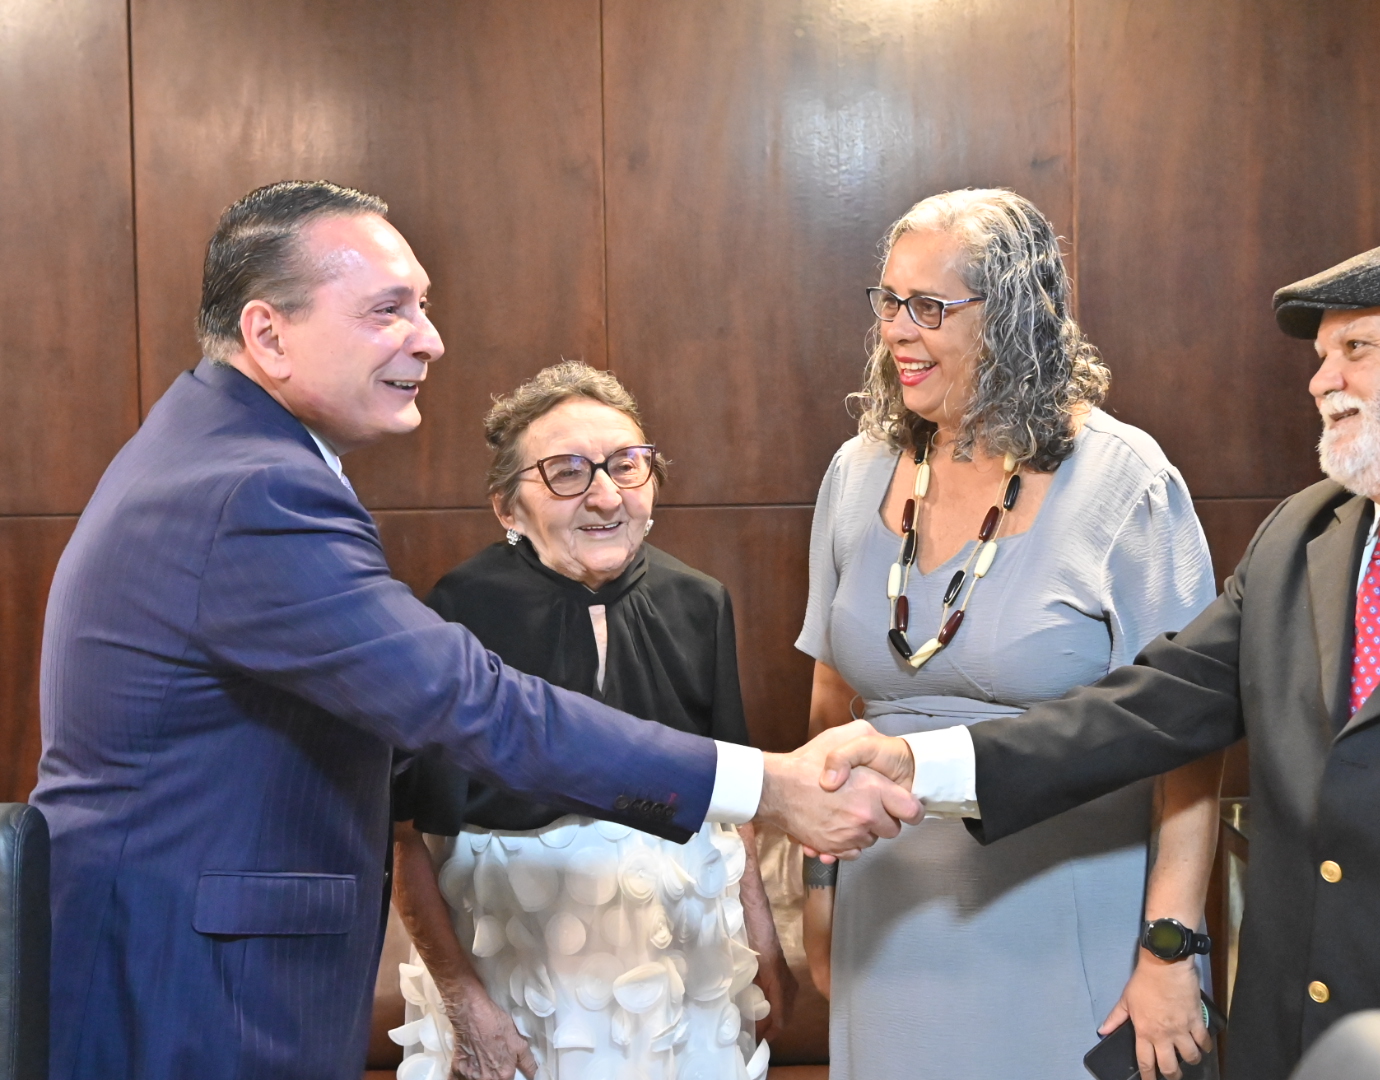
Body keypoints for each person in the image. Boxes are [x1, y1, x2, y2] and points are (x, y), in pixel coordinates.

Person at [29, 180, 911, 1080]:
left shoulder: (211, 450)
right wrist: (766, 784)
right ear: (269, 334)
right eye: (388, 309)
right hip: (184, 984)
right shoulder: (255, 488)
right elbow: (473, 706)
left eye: (423, 305)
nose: (430, 339)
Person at [824, 235, 1380, 1080]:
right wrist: (920, 764)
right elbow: (1149, 710)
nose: (1322, 381)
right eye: (1320, 357)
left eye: (1356, 349)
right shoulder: (1304, 535)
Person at [796, 188, 1225, 1080]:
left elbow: (1192, 744)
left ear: (1014, 316)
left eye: (929, 307)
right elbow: (831, 706)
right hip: (890, 920)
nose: (896, 331)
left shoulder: (1127, 481)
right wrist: (820, 891)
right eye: (888, 301)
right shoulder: (857, 471)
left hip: (1067, 923)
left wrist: (1171, 946)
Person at [390, 362, 796, 1080]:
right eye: (567, 472)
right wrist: (462, 999)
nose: (606, 496)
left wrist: (763, 942)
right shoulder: (457, 612)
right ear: (507, 508)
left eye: (626, 465)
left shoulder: (700, 602)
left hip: (680, 962)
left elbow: (732, 802)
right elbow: (403, 833)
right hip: (514, 959)